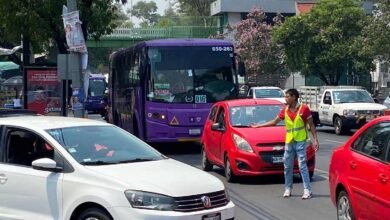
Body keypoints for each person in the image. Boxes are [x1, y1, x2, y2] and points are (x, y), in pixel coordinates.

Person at [251, 88, 319, 199]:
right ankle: (288, 188)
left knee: (302, 165)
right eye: (285, 96)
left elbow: (311, 125)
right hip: (289, 141)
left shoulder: (304, 109)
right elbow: (274, 122)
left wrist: (315, 139)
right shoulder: (285, 110)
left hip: (301, 141)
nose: (285, 99)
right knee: (287, 166)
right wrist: (259, 125)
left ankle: (307, 190)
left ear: (294, 97)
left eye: (287, 96)